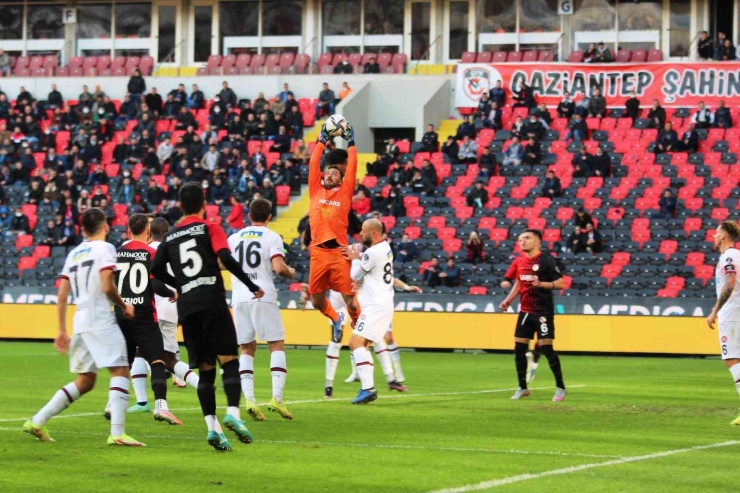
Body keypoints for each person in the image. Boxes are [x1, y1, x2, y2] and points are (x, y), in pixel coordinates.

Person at [151, 182, 264, 451]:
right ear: (204, 205)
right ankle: (233, 414)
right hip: (212, 300)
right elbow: (225, 255)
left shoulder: (170, 237)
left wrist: (178, 283)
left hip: (188, 308)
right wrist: (251, 285)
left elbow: (155, 270)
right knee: (229, 361)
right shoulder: (210, 227)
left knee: (204, 371)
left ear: (179, 206)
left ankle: (213, 428)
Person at [22, 209, 144, 446]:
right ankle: (117, 433)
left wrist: (61, 329)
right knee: (120, 371)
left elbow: (62, 295)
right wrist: (124, 305)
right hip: (99, 318)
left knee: (86, 380)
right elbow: (108, 286)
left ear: (83, 229)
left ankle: (37, 421)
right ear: (105, 226)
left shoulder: (74, 253)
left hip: (80, 321)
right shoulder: (106, 248)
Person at [110, 214, 183, 424]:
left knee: (125, 362)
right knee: (157, 359)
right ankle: (161, 406)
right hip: (143, 314)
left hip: (122, 313)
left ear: (128, 230)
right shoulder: (151, 252)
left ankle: (112, 406)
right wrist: (171, 292)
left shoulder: (119, 253)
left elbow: (111, 284)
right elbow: (155, 284)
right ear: (148, 232)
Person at [228, 198, 296, 421]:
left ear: (249, 215)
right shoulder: (272, 237)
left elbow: (222, 264)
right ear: (269, 217)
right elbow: (278, 267)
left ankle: (249, 399)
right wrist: (291, 272)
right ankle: (276, 398)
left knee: (246, 348)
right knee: (276, 345)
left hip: (239, 297)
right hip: (263, 295)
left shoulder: (233, 238)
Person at [307, 121, 361, 339]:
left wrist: (351, 142)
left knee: (352, 304)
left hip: (339, 254)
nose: (329, 175)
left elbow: (353, 165)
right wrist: (321, 140)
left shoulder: (344, 194)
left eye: (334, 174)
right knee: (317, 301)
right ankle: (336, 318)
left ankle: (357, 324)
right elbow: (313, 163)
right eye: (327, 173)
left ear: (341, 180)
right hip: (318, 253)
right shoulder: (315, 190)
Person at [500, 229, 566, 402]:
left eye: (527, 238)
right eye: (520, 239)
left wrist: (542, 284)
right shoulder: (519, 261)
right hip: (525, 311)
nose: (522, 241)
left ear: (538, 242)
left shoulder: (546, 261)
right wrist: (508, 300)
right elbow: (519, 283)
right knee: (519, 349)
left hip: (543, 311)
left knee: (546, 348)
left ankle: (560, 387)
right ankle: (522, 387)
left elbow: (561, 283)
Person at [343, 219, 396, 404]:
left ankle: (368, 388)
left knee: (355, 342)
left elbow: (354, 276)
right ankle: (368, 387)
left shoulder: (372, 253)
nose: (360, 234)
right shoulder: (386, 247)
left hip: (377, 306)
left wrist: (355, 258)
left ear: (373, 233)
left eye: (364, 231)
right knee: (363, 345)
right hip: (384, 303)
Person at [147, 217, 193, 390]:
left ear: (149, 232)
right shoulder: (175, 249)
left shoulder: (144, 250)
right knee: (170, 341)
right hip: (171, 303)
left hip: (149, 304)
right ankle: (177, 374)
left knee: (142, 347)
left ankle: (159, 378)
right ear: (167, 232)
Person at [706, 220, 740, 426]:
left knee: (731, 358)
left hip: (732, 313)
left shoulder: (728, 256)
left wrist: (715, 310)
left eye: (716, 233)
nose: (714, 236)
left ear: (724, 236)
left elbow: (730, 282)